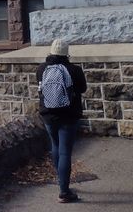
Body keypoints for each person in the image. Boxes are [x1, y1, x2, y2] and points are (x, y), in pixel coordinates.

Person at [37, 38, 87, 204]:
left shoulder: (41, 68)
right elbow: (83, 88)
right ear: (67, 54)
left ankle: (62, 182)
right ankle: (64, 192)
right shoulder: (74, 70)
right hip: (68, 116)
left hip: (48, 116)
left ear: (51, 52)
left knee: (56, 147)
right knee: (65, 151)